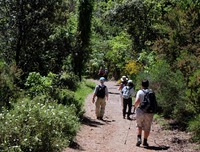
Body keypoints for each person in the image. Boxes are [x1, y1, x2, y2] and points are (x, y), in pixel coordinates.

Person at [133, 79, 154, 147]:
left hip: (140, 111)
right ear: (148, 85)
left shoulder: (140, 92)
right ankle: (145, 141)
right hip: (149, 112)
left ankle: (139, 139)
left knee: (139, 125)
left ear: (141, 85)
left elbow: (137, 101)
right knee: (147, 127)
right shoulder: (151, 92)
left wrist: (134, 106)